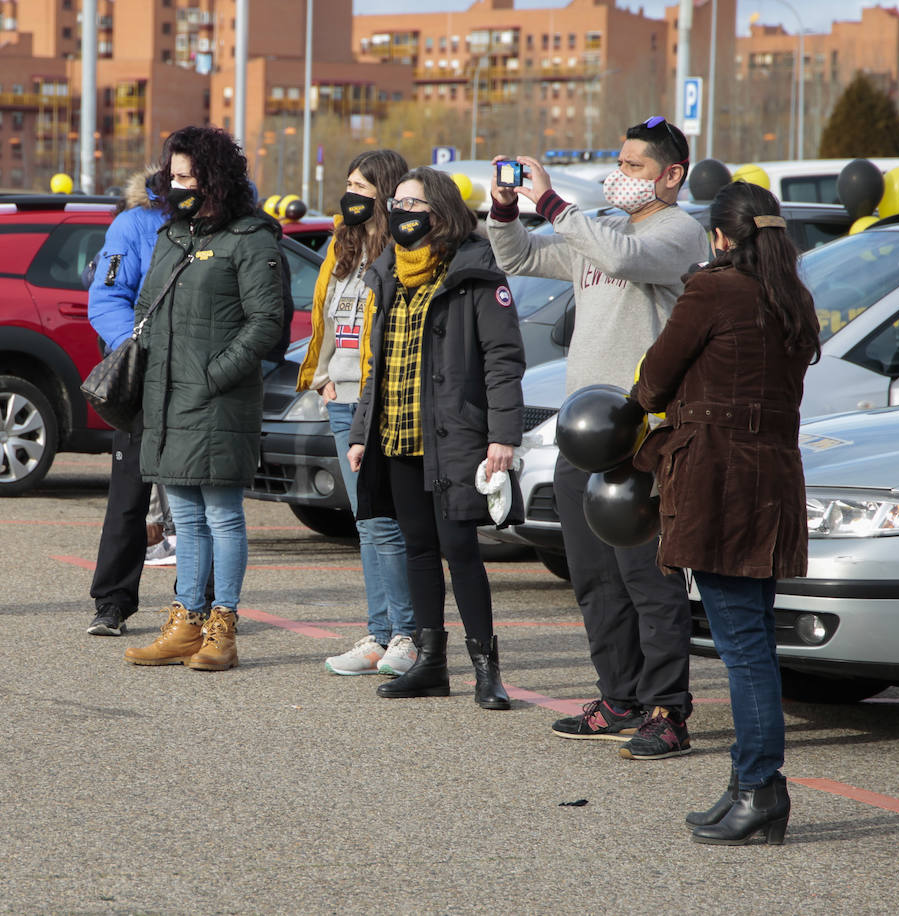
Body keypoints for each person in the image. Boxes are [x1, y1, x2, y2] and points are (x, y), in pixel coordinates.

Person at [487, 118, 709, 754]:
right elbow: (521, 257)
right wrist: (507, 212)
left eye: (635, 166)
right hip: (578, 434)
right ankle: (620, 696)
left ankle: (668, 709)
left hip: (640, 436)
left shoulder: (677, 232)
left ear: (671, 176)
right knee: (593, 576)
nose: (621, 175)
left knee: (648, 579)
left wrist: (556, 203)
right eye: (619, 162)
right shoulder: (602, 227)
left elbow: (625, 261)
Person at [631, 181, 816, 844]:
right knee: (753, 639)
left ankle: (761, 788)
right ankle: (747, 783)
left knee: (743, 647)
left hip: (720, 486)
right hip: (771, 482)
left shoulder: (713, 289)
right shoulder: (791, 295)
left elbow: (652, 379)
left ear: (719, 236)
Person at [346, 166, 525, 707]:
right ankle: (430, 664)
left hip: (454, 437)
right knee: (417, 550)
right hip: (395, 435)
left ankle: (485, 670)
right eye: (396, 203)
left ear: (440, 212)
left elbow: (503, 360)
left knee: (459, 549)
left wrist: (503, 435)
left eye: (413, 204)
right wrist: (361, 431)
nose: (401, 212)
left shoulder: (475, 273)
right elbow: (375, 364)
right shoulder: (388, 273)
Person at [122, 125, 284, 672]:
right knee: (184, 521)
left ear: (213, 178)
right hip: (168, 398)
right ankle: (186, 620)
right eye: (173, 176)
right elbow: (147, 307)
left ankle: (223, 627)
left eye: (187, 176)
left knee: (223, 515)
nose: (176, 185)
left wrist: (214, 375)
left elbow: (267, 325)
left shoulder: (252, 238)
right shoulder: (173, 236)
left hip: (216, 401)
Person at [296, 149, 418, 677]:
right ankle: (379, 633)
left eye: (362, 188)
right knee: (367, 524)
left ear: (386, 195)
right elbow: (325, 316)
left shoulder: (401, 254)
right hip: (340, 400)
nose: (351, 196)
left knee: (387, 523)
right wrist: (321, 377)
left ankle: (406, 636)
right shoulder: (339, 248)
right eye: (348, 184)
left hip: (381, 403)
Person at [85, 166, 174, 636]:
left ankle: (203, 606)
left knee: (205, 506)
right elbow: (106, 298)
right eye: (177, 170)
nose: (184, 180)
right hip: (144, 379)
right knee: (128, 498)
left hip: (201, 383)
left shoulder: (236, 222)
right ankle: (112, 603)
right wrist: (137, 352)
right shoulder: (135, 223)